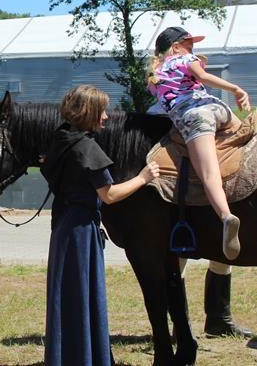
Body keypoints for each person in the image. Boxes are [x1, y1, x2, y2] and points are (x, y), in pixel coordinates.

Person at [41, 85, 159, 366]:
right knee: (82, 295)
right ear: (90, 112)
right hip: (81, 230)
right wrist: (144, 177)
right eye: (102, 110)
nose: (107, 116)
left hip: (63, 227)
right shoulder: (86, 148)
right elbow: (110, 195)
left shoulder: (62, 139)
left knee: (67, 296)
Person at [147, 26, 250, 260]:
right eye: (189, 43)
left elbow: (157, 109)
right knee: (242, 134)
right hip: (218, 109)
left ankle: (225, 216)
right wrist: (235, 88)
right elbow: (203, 77)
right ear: (176, 47)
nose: (193, 47)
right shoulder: (185, 58)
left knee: (209, 174)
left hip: (194, 117)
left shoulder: (157, 75)